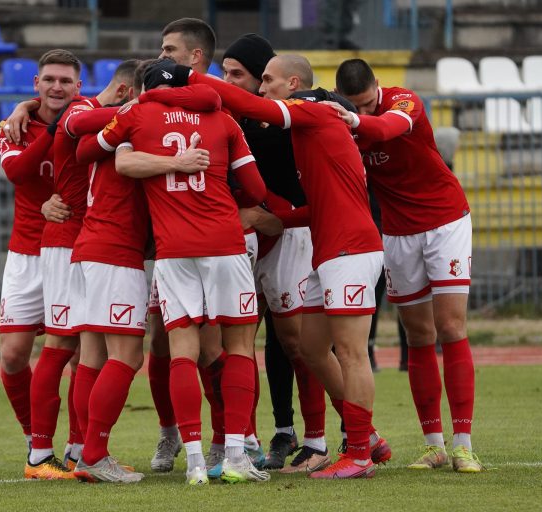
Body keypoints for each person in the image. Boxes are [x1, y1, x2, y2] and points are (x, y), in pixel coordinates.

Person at [157, 53, 387, 480]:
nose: (261, 88)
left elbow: (252, 106)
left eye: (267, 80)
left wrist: (187, 75)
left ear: (292, 83)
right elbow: (322, 205)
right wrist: (272, 218)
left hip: (350, 251)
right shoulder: (315, 123)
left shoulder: (312, 110)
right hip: (330, 249)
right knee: (314, 348)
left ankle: (357, 452)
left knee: (353, 354)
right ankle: (368, 436)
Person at [81, 60, 269, 485]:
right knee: (238, 346)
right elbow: (255, 189)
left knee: (181, 351)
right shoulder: (221, 117)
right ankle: (238, 455)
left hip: (172, 249)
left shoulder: (135, 113)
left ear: (143, 87)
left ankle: (196, 462)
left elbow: (89, 149)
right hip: (224, 242)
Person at [331, 58, 483, 472]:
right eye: (353, 107)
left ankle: (464, 445)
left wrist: (354, 120)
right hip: (397, 233)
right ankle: (434, 445)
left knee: (450, 327)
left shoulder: (404, 101)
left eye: (365, 103)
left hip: (445, 221)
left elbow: (386, 128)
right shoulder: (343, 122)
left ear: (377, 86)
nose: (361, 113)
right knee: (417, 335)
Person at [66, 63, 214, 484]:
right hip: (113, 253)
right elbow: (124, 161)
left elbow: (81, 146)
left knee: (92, 357)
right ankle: (94, 454)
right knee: (127, 356)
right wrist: (178, 160)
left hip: (91, 247)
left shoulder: (114, 129)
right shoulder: (136, 125)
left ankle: (84, 451)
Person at [219, 33, 330, 474]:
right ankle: (257, 438)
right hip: (241, 235)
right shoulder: (225, 115)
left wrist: (277, 216)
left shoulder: (291, 114)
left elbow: (330, 98)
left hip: (288, 236)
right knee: (237, 342)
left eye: (239, 74)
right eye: (224, 73)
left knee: (296, 343)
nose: (230, 81)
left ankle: (321, 439)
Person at [0, 49, 79, 480]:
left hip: (72, 251)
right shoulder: (12, 128)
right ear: (36, 84)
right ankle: (34, 438)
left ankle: (77, 449)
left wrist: (61, 121)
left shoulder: (86, 118)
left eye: (65, 80)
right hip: (26, 254)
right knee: (13, 356)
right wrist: (40, 122)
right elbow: (20, 171)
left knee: (82, 355)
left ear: (78, 86)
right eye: (49, 80)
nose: (57, 87)